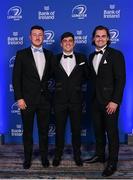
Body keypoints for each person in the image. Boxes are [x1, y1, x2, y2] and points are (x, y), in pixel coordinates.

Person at [85, 25, 126, 177]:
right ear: (93, 38)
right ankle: (100, 155)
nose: (100, 39)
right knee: (98, 130)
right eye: (97, 36)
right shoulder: (90, 56)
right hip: (95, 101)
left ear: (108, 38)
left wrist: (115, 101)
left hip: (110, 102)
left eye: (103, 36)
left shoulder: (116, 55)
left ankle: (112, 162)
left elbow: (120, 80)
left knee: (112, 132)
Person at [13, 25, 54, 169]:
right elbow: (16, 79)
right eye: (35, 34)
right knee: (28, 132)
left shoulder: (49, 55)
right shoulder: (21, 54)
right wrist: (19, 98)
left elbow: (55, 75)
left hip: (45, 101)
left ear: (44, 37)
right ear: (30, 37)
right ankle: (28, 159)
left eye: (40, 35)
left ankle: (44, 158)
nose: (37, 37)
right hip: (27, 100)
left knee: (44, 131)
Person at [52, 32, 89, 167]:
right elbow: (47, 77)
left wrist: (76, 87)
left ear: (74, 43)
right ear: (61, 43)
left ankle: (77, 155)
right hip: (59, 101)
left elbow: (87, 76)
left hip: (76, 101)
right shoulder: (54, 59)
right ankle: (57, 155)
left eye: (70, 41)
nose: (68, 43)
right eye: (65, 41)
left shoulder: (82, 58)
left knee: (76, 130)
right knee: (60, 130)